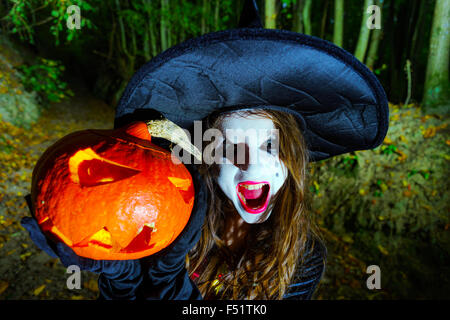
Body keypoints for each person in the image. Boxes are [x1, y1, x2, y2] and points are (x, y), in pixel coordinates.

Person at [21, 0, 389, 300]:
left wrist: (169, 283)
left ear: (293, 155)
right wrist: (124, 280)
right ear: (207, 159)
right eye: (231, 148)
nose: (252, 167)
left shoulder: (303, 257)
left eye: (270, 146)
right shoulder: (160, 221)